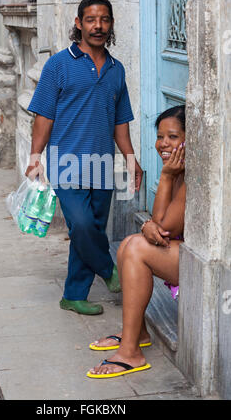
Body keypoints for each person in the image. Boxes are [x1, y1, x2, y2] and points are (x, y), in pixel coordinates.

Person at [25, 0, 143, 315]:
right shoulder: (59, 65)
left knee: (89, 228)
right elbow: (44, 116)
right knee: (80, 225)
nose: (98, 26)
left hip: (103, 165)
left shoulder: (116, 71)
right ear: (79, 24)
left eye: (104, 19)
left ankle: (74, 295)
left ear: (112, 24)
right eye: (91, 20)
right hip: (66, 163)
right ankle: (108, 269)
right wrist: (35, 156)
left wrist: (131, 159)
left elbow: (121, 122)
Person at [87, 105, 186, 377]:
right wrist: (148, 226)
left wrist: (165, 177)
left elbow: (164, 227)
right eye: (160, 136)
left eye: (173, 137)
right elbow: (157, 222)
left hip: (197, 260)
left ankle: (130, 353)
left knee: (136, 248)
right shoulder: (177, 169)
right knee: (130, 242)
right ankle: (138, 333)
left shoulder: (188, 175)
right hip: (179, 253)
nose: (163, 144)